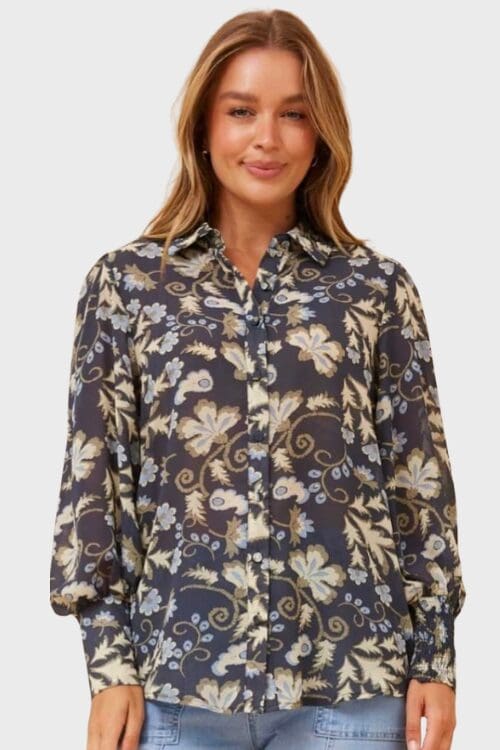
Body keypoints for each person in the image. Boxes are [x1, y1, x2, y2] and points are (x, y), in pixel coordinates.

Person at [48, 9, 466, 750]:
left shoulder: (375, 289)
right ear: (203, 127)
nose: (267, 138)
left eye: (294, 115)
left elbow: (418, 483)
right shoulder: (127, 286)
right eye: (242, 111)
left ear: (321, 133)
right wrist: (109, 664)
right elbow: (95, 481)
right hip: (174, 693)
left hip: (352, 690)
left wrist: (434, 656)